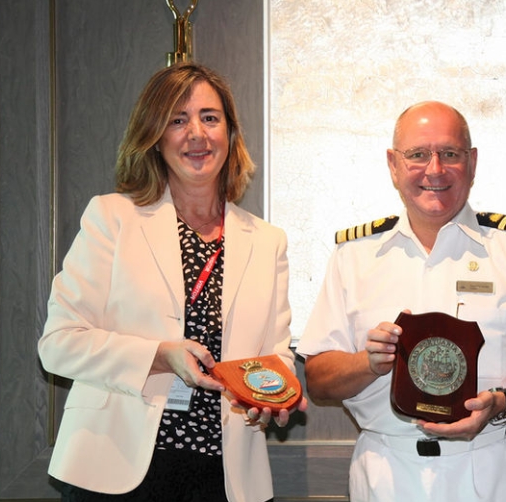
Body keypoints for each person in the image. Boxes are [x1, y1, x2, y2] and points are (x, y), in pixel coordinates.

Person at [295, 101, 506, 502]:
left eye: (449, 154)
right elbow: (318, 379)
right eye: (417, 154)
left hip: (492, 471)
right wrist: (367, 362)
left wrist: (504, 403)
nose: (434, 169)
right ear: (393, 165)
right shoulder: (355, 256)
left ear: (471, 163)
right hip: (387, 476)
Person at [38, 62, 306, 502]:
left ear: (230, 134)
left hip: (225, 475)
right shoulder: (111, 218)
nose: (196, 133)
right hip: (115, 470)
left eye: (210, 118)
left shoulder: (267, 240)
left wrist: (273, 398)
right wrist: (160, 357)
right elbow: (59, 344)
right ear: (155, 138)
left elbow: (274, 355)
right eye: (177, 120)